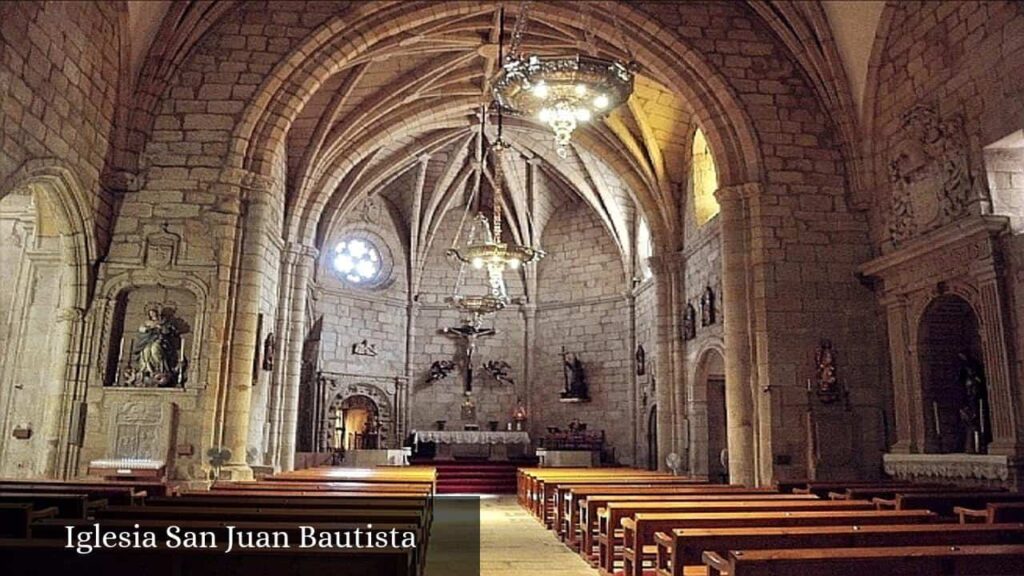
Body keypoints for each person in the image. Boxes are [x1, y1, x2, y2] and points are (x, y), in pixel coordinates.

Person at [131, 307, 181, 387]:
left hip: (159, 341)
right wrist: (148, 329)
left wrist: (161, 328)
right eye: (151, 313)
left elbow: (169, 332)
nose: (152, 314)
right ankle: (148, 369)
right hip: (147, 341)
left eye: (154, 312)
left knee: (155, 350)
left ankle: (160, 369)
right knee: (146, 351)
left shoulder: (163, 322)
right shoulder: (147, 322)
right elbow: (141, 331)